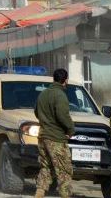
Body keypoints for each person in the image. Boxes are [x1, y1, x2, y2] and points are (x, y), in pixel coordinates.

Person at [34, 68, 76, 198]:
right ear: (65, 80)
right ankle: (65, 195)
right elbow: (62, 115)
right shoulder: (60, 95)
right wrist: (70, 129)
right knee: (64, 170)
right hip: (56, 138)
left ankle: (39, 193)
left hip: (43, 137)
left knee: (46, 167)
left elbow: (36, 112)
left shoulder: (43, 94)